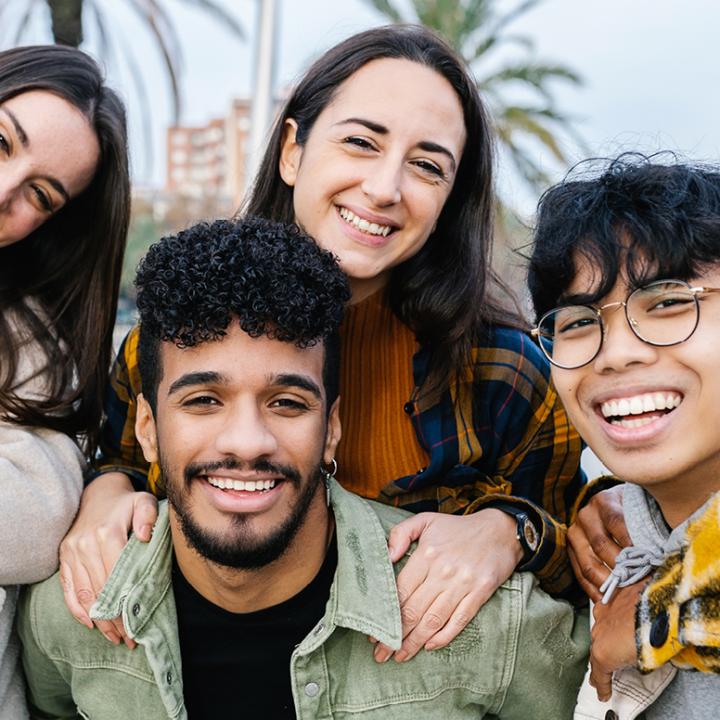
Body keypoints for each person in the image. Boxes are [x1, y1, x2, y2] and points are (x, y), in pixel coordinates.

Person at [61, 24, 584, 658]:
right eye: (361, 142)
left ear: (449, 198)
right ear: (291, 150)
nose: (386, 188)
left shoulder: (502, 370)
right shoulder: (174, 333)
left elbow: (584, 545)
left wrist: (508, 531)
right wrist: (104, 493)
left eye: (426, 165)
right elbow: (126, 453)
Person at [20, 217, 589, 719]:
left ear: (332, 428)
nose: (247, 442)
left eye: (287, 403)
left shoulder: (489, 626)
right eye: (203, 401)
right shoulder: (68, 613)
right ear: (145, 427)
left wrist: (512, 528)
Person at [528, 155, 720, 718]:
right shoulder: (603, 545)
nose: (617, 354)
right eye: (579, 321)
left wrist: (648, 624)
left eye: (667, 303)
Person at [0, 45, 129, 718]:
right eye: (0, 142)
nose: (3, 193)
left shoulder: (31, 348)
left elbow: (32, 520)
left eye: (40, 196)